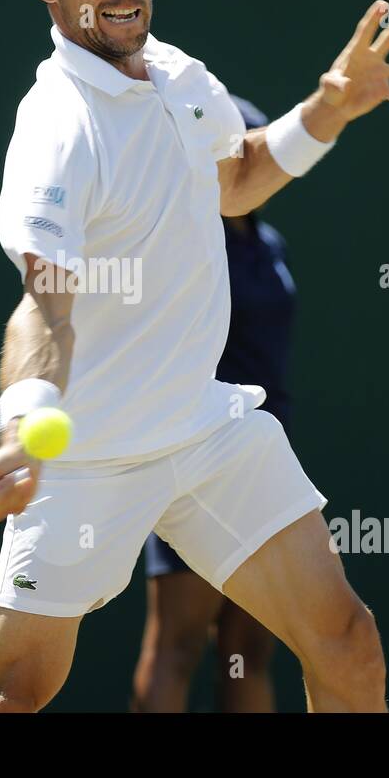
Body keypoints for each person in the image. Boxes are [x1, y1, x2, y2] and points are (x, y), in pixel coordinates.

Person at [0, 0, 389, 713]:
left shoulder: (181, 78)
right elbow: (47, 304)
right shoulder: (56, 127)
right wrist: (23, 427)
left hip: (204, 428)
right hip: (88, 456)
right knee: (9, 701)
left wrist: (330, 106)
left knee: (348, 645)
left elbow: (238, 181)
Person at [131, 95, 297, 713]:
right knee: (177, 645)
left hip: (267, 451)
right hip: (198, 454)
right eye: (241, 153)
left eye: (258, 151)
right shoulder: (186, 244)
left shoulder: (269, 242)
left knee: (249, 648)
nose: (254, 165)